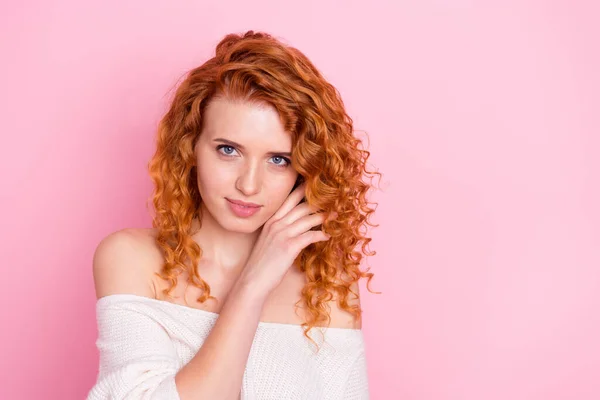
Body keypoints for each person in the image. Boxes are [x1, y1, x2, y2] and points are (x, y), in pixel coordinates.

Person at [87, 30, 381, 400]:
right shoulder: (132, 259)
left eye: (278, 159)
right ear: (190, 146)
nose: (249, 184)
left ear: (304, 171)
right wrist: (252, 287)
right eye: (228, 150)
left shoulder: (329, 287)